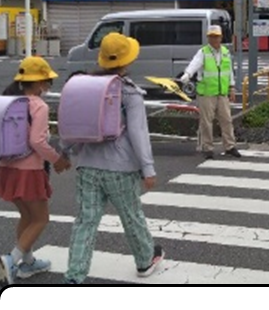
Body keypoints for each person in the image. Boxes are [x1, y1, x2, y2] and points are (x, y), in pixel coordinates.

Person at [63, 33, 165, 284]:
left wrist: (64, 150)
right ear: (127, 61)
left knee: (85, 222)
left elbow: (73, 120)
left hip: (87, 165)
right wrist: (148, 168)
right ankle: (145, 260)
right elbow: (138, 133)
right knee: (131, 216)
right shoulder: (129, 92)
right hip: (121, 168)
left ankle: (74, 276)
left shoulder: (86, 87)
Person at [0, 56, 71, 287]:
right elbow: (37, 141)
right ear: (39, 82)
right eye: (47, 81)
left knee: (27, 217)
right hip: (29, 171)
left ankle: (28, 262)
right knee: (41, 218)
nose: (48, 85)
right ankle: (11, 260)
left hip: (7, 168)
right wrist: (57, 159)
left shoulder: (10, 101)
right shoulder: (38, 105)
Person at [179, 25, 241, 160]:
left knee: (227, 120)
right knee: (206, 122)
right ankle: (207, 148)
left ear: (221, 37)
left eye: (216, 36)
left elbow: (229, 71)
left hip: (222, 92)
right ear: (208, 38)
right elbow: (194, 64)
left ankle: (230, 146)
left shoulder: (225, 52)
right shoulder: (203, 52)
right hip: (206, 93)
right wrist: (188, 74)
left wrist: (231, 87)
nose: (214, 39)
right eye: (211, 36)